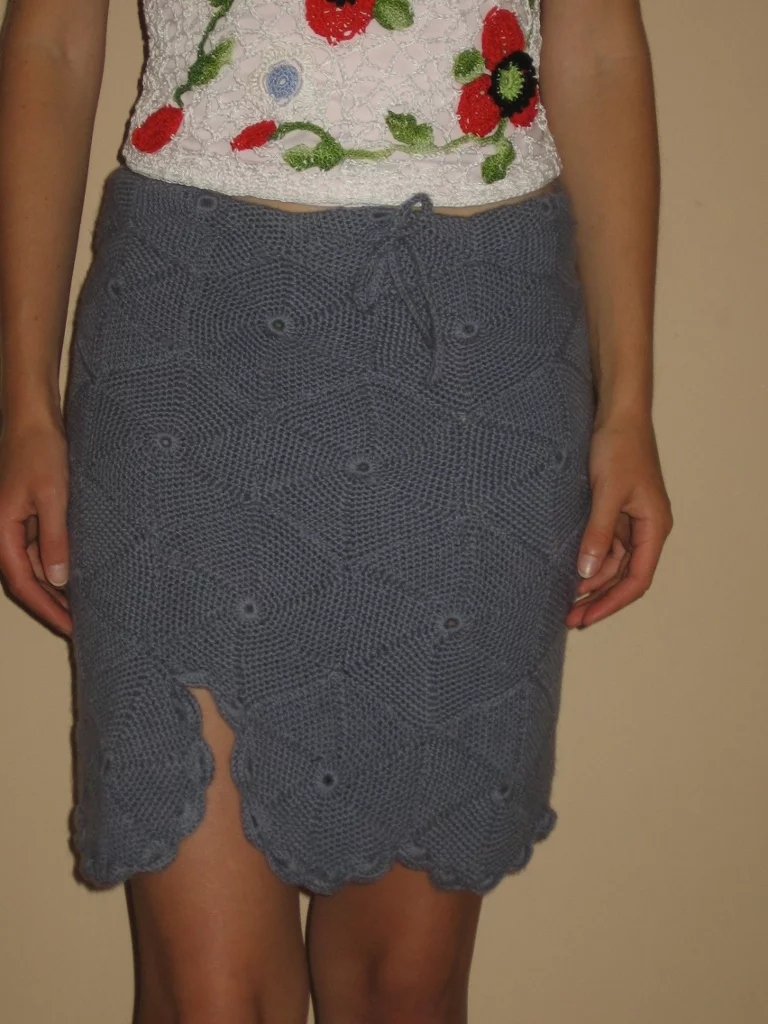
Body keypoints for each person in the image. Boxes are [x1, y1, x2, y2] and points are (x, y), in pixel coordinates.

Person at [0, 0, 673, 1021]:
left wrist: (629, 406)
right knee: (209, 997)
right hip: (191, 332)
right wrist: (22, 407)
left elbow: (602, 54)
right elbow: (49, 43)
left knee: (402, 987)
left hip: (473, 350)